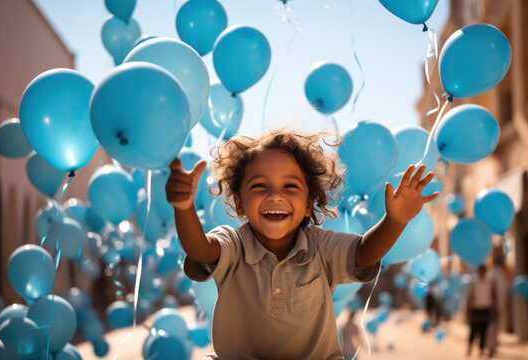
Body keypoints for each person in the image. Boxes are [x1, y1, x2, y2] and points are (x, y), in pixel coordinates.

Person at [166, 130, 439, 359]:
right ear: (239, 203)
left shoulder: (322, 246)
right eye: (260, 186)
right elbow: (200, 249)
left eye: (290, 187)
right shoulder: (233, 244)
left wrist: (395, 221)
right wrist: (183, 207)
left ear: (309, 203)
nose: (275, 195)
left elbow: (364, 254)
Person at [466, 265, 497, 358]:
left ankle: (481, 350)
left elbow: (493, 296)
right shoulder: (474, 282)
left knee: (484, 331)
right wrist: (468, 310)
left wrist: (494, 310)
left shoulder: (489, 283)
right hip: (476, 309)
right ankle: (470, 347)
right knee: (473, 330)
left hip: (485, 309)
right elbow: (470, 296)